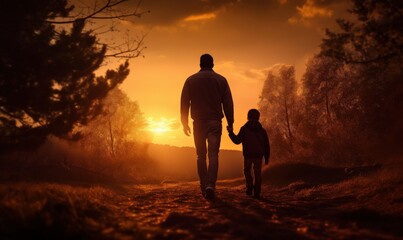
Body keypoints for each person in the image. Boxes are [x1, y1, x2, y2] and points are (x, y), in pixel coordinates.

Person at [181, 54, 234, 200]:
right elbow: (228, 103)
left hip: (198, 122)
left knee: (200, 155)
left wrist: (183, 122)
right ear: (213, 64)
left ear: (199, 64)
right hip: (215, 122)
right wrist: (231, 122)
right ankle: (211, 185)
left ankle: (203, 187)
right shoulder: (221, 80)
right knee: (213, 155)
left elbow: (185, 103)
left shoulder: (191, 80)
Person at [227, 109, 270, 199]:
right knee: (257, 173)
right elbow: (266, 145)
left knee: (247, 171)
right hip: (259, 156)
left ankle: (249, 186)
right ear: (258, 117)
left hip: (248, 155)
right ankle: (257, 192)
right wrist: (267, 157)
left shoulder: (244, 129)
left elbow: (237, 140)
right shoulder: (262, 131)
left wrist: (230, 132)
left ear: (248, 117)